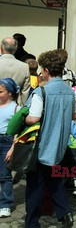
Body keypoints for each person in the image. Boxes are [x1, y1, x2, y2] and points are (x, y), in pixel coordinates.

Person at [23, 49, 76, 227]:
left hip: (41, 144)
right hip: (60, 144)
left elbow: (34, 118)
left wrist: (23, 117)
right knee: (54, 181)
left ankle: (31, 223)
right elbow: (74, 116)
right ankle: (66, 214)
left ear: (45, 70)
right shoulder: (69, 91)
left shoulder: (41, 92)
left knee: (34, 187)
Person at [0, 78, 18, 218]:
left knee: (5, 174)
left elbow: (18, 131)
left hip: (7, 141)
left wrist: (13, 148)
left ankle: (6, 204)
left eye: (1, 91)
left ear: (10, 93)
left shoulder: (15, 108)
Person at [0, 37, 30, 105]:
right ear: (15, 49)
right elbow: (25, 92)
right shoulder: (24, 67)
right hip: (15, 107)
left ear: (1, 48)